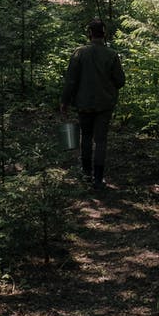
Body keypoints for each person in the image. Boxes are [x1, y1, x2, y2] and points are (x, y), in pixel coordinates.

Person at [60, 19, 125, 190]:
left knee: (86, 137)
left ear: (89, 34)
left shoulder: (79, 53)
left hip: (83, 103)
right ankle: (98, 178)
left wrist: (64, 101)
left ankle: (86, 173)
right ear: (104, 35)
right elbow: (120, 81)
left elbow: (71, 81)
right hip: (105, 104)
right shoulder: (111, 54)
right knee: (101, 140)